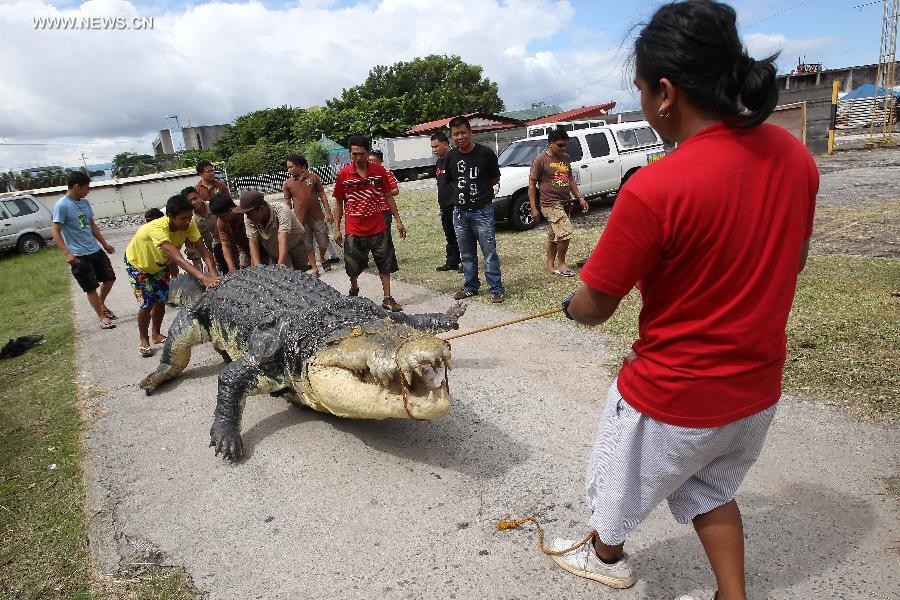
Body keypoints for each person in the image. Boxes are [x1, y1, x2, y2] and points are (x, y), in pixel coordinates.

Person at [548, 2, 817, 599]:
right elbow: (792, 260)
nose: (643, 103)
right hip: (756, 391)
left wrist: (571, 305)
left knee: (615, 477)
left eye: (641, 90)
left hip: (673, 395)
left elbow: (595, 307)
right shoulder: (794, 156)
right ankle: (732, 593)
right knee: (711, 487)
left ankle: (606, 553)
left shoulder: (654, 188)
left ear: (666, 92)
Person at [125, 195, 219, 357]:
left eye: (190, 217)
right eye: (183, 218)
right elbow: (177, 257)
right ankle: (143, 338)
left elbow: (203, 250)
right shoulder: (157, 228)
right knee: (147, 303)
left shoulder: (190, 224)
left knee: (161, 300)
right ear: (171, 216)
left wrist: (214, 273)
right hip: (139, 265)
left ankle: (156, 334)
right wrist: (203, 278)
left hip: (160, 265)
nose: (188, 221)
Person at [332, 135, 405, 312]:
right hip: (354, 228)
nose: (358, 158)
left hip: (378, 226)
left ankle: (387, 298)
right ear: (350, 153)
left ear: (368, 152)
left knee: (384, 263)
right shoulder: (343, 175)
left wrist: (398, 220)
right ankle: (354, 288)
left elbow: (388, 196)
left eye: (361, 154)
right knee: (352, 265)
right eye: (354, 154)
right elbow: (339, 202)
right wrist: (336, 228)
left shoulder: (379, 171)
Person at [443, 115, 505, 303]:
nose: (459, 137)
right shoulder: (451, 156)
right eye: (455, 134)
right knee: (467, 253)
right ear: (452, 136)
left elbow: (495, 179)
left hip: (482, 211)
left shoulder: (485, 153)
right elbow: (451, 181)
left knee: (489, 252)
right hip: (460, 213)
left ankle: (496, 288)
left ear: (470, 132)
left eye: (463, 132)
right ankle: (471, 286)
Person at [51, 171, 118, 329]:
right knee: (91, 287)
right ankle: (102, 317)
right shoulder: (62, 205)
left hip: (94, 249)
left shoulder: (84, 202)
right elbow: (55, 231)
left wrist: (104, 244)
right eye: (87, 187)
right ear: (76, 186)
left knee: (109, 278)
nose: (89, 191)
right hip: (79, 255)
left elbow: (91, 225)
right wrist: (66, 253)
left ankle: (100, 304)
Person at [528, 128, 589, 277]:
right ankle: (562, 264)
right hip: (549, 203)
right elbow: (531, 185)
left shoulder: (565, 158)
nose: (563, 148)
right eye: (559, 145)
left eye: (565, 145)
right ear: (550, 144)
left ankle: (550, 266)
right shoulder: (540, 160)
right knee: (565, 232)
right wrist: (534, 208)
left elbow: (571, 180)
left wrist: (580, 198)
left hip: (563, 202)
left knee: (554, 236)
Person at [283, 154, 335, 276]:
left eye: (291, 167)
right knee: (307, 244)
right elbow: (287, 202)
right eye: (288, 167)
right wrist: (288, 219)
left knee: (323, 241)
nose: (289, 169)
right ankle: (314, 267)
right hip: (300, 219)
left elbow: (322, 193)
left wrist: (328, 211)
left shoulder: (313, 177)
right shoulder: (288, 184)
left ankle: (322, 258)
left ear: (301, 166)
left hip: (317, 216)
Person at [234, 190, 310, 271]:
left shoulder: (281, 210)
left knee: (301, 273)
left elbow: (282, 238)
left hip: (295, 244)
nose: (248, 217)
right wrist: (258, 268)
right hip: (275, 249)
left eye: (250, 214)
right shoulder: (249, 217)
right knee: (283, 278)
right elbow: (253, 242)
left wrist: (280, 266)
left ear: (261, 209)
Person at [430, 132, 461, 272]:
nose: (434, 150)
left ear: (445, 143)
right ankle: (452, 262)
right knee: (450, 235)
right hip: (445, 206)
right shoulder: (438, 162)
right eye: (432, 147)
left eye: (436, 146)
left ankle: (466, 263)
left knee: (462, 235)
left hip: (456, 204)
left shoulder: (455, 158)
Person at [180, 186, 227, 274]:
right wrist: (207, 264)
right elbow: (194, 249)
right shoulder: (190, 220)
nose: (193, 202)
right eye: (189, 201)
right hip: (213, 251)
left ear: (200, 196)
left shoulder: (214, 206)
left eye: (195, 198)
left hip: (227, 242)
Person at [209, 195, 253, 272]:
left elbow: (255, 242)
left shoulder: (247, 215)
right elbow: (225, 244)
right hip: (245, 250)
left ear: (231, 210)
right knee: (243, 272)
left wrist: (255, 264)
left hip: (261, 247)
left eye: (221, 216)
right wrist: (231, 267)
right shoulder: (222, 222)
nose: (220, 219)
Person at [368, 149, 400, 244]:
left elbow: (395, 190)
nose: (371, 163)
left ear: (380, 162)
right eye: (369, 160)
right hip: (371, 211)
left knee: (385, 237)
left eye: (373, 161)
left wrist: (383, 192)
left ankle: (389, 257)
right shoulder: (366, 174)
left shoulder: (386, 173)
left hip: (384, 210)